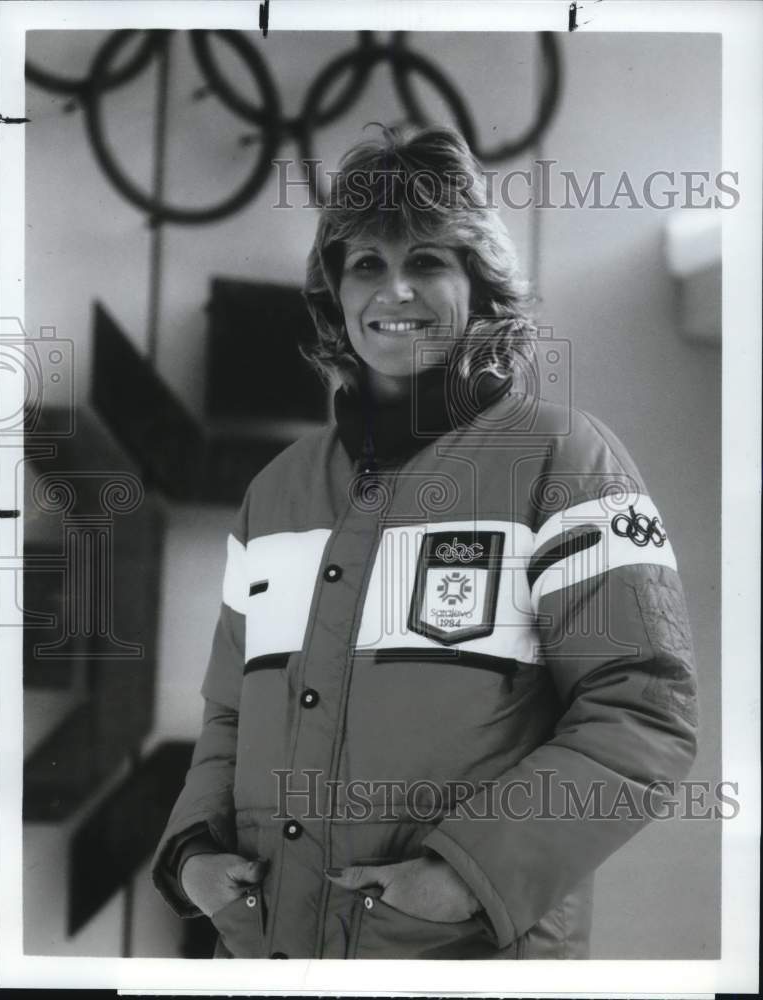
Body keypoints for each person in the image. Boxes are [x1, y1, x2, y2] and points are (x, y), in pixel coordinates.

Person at [151, 123, 699, 960]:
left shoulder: (564, 459)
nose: (393, 291)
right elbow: (229, 711)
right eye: (367, 263)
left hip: (464, 962)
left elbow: (641, 712)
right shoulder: (277, 491)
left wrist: (464, 878)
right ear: (333, 292)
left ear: (479, 286)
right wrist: (192, 854)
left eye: (428, 262)